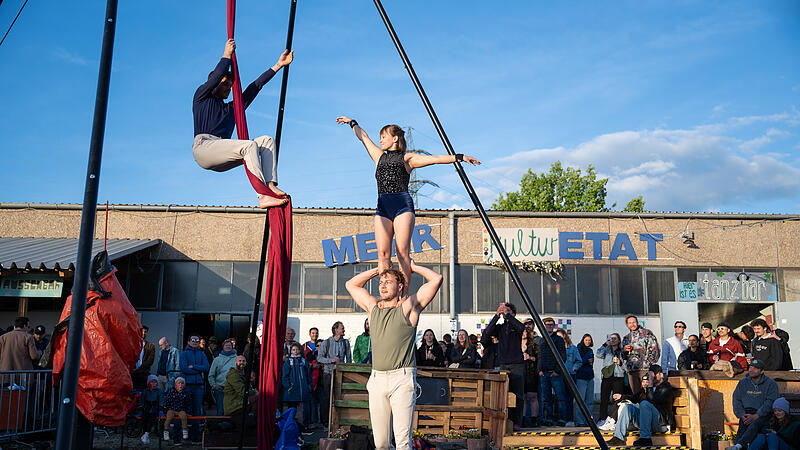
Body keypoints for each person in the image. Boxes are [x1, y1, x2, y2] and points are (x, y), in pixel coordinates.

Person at [336, 115, 480, 290]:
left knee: (402, 252)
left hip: (402, 206)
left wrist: (460, 156)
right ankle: (387, 291)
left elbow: (434, 159)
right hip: (382, 207)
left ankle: (403, 295)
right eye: (380, 137)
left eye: (383, 136)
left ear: (395, 138)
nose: (380, 140)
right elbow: (363, 137)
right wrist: (352, 123)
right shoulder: (378, 156)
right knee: (383, 255)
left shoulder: (407, 158)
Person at [344, 262, 443, 450]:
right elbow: (351, 284)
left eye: (388, 281)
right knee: (381, 443)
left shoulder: (407, 308)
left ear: (400, 287)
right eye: (381, 282)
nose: (382, 285)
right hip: (377, 378)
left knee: (402, 442)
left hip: (402, 379)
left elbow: (436, 279)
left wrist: (412, 267)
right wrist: (377, 271)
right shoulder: (373, 307)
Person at [192, 39, 293, 209]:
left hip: (223, 152)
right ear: (214, 84)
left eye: (231, 86)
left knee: (266, 141)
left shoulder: (232, 109)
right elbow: (217, 75)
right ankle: (262, 196)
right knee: (249, 145)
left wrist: (277, 65)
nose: (229, 88)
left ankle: (269, 185)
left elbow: (256, 87)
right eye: (225, 83)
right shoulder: (202, 96)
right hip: (204, 148)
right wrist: (227, 54)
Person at [606, 365, 674, 447]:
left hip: (660, 423)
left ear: (661, 375)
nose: (652, 377)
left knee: (644, 403)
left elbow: (653, 400)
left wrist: (650, 385)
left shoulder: (666, 387)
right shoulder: (649, 388)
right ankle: (618, 438)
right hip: (647, 422)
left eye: (654, 375)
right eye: (650, 375)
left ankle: (645, 439)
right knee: (628, 407)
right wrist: (622, 396)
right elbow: (635, 398)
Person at [482, 302, 526, 429]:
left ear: (513, 313)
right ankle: (505, 421)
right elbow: (487, 332)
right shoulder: (500, 328)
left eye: (509, 311)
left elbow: (521, 328)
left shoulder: (516, 325)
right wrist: (496, 316)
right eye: (505, 311)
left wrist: (509, 316)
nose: (506, 313)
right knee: (503, 394)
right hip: (503, 364)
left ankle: (516, 421)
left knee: (518, 394)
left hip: (516, 363)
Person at [726, 359, 778, 450]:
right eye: (750, 367)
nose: (751, 370)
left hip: (763, 414)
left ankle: (739, 445)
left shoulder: (771, 384)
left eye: (755, 368)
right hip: (746, 413)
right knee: (744, 423)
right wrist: (742, 415)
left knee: (756, 423)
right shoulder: (743, 383)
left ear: (762, 371)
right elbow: (736, 400)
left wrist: (756, 415)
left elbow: (770, 402)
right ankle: (739, 446)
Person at [317, 321, 351, 428]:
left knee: (339, 398)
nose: (344, 330)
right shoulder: (326, 343)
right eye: (342, 328)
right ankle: (325, 422)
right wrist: (331, 360)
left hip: (340, 374)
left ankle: (337, 420)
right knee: (327, 397)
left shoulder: (346, 343)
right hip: (328, 373)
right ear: (336, 330)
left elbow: (349, 359)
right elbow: (319, 358)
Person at [538, 317, 568, 426]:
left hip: (555, 373)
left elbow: (562, 356)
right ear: (544, 326)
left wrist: (557, 371)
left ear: (554, 326)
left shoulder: (558, 339)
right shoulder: (542, 340)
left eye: (551, 324)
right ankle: (549, 419)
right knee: (547, 399)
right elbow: (540, 356)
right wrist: (539, 370)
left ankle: (562, 419)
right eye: (547, 324)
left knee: (560, 397)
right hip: (544, 373)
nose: (549, 326)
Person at [180, 335, 210, 444]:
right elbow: (183, 368)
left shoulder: (202, 354)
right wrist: (198, 370)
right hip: (187, 385)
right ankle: (184, 434)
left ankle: (195, 436)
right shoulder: (184, 354)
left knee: (197, 410)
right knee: (186, 410)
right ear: (188, 341)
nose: (195, 342)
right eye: (193, 340)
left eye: (197, 340)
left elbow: (206, 367)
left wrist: (194, 367)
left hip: (199, 386)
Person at [621, 314, 660, 395]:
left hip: (644, 369)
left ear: (637, 322)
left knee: (646, 394)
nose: (632, 324)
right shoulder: (626, 338)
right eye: (630, 323)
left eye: (634, 322)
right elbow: (623, 357)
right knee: (636, 395)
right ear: (627, 325)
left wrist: (647, 363)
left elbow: (655, 350)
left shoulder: (647, 333)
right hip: (632, 371)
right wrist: (624, 351)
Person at [0, 317, 42, 384]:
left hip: (5, 375)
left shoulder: (3, 337)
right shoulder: (28, 337)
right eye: (28, 326)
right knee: (24, 394)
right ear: (25, 326)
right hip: (22, 375)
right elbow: (34, 356)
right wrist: (40, 352)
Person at [597, 333, 626, 428]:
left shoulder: (622, 351)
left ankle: (615, 419)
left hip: (618, 377)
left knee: (617, 399)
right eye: (611, 338)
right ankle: (602, 419)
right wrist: (605, 344)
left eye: (615, 338)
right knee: (604, 398)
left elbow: (626, 366)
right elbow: (598, 354)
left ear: (618, 340)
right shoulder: (606, 350)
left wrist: (620, 362)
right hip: (607, 377)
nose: (612, 340)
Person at [281, 342, 312, 430]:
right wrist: (288, 386)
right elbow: (285, 376)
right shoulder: (288, 362)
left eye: (297, 349)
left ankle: (304, 426)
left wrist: (309, 385)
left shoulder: (303, 361)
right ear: (290, 351)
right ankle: (291, 426)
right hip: (292, 390)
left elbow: (308, 375)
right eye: (293, 350)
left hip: (303, 389)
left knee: (305, 410)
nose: (295, 351)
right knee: (292, 410)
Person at [208, 338, 237, 414]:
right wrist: (214, 385)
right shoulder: (217, 359)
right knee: (221, 410)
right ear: (223, 347)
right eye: (226, 345)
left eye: (229, 345)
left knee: (233, 410)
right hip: (221, 388)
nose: (228, 347)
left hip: (233, 388)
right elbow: (211, 375)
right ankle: (220, 424)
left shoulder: (237, 359)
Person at [557, 328, 578, 426]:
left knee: (569, 399)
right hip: (558, 375)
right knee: (560, 398)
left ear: (565, 336)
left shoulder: (572, 348)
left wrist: (574, 368)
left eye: (560, 336)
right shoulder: (555, 347)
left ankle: (570, 420)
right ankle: (561, 419)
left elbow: (579, 360)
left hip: (570, 375)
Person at [302, 327, 323, 426]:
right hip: (310, 376)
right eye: (313, 333)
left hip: (320, 378)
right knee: (311, 401)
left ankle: (320, 421)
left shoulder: (322, 345)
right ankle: (312, 420)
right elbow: (303, 361)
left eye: (316, 333)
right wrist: (311, 365)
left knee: (320, 400)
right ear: (310, 334)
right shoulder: (305, 347)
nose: (315, 334)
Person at [574, 334, 595, 427]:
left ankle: (588, 420)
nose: (588, 342)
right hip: (581, 377)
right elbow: (579, 361)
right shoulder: (578, 349)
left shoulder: (590, 350)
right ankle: (579, 421)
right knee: (580, 400)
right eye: (586, 340)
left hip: (590, 376)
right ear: (583, 340)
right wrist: (588, 360)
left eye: (589, 340)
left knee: (589, 400)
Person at [163, 377, 191, 444]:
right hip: (172, 409)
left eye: (182, 383)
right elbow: (167, 402)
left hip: (181, 410)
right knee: (168, 417)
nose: (180, 385)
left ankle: (184, 430)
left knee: (184, 416)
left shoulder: (185, 394)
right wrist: (165, 411)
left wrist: (189, 412)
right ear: (175, 385)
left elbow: (188, 404)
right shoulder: (171, 392)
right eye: (179, 383)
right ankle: (166, 431)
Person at [522, 328, 539, 428]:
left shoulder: (534, 346)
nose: (524, 334)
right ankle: (522, 419)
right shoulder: (515, 345)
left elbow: (538, 359)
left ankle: (534, 419)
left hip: (531, 373)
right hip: (520, 372)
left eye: (525, 332)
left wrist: (529, 357)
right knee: (522, 397)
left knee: (533, 396)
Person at [139, 375, 163, 445]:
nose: (154, 384)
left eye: (155, 382)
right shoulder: (145, 391)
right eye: (152, 382)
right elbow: (141, 400)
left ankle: (146, 434)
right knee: (144, 419)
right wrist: (140, 408)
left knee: (151, 419)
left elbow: (161, 400)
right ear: (149, 383)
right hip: (146, 407)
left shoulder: (159, 391)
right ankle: (145, 434)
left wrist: (161, 409)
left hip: (155, 408)